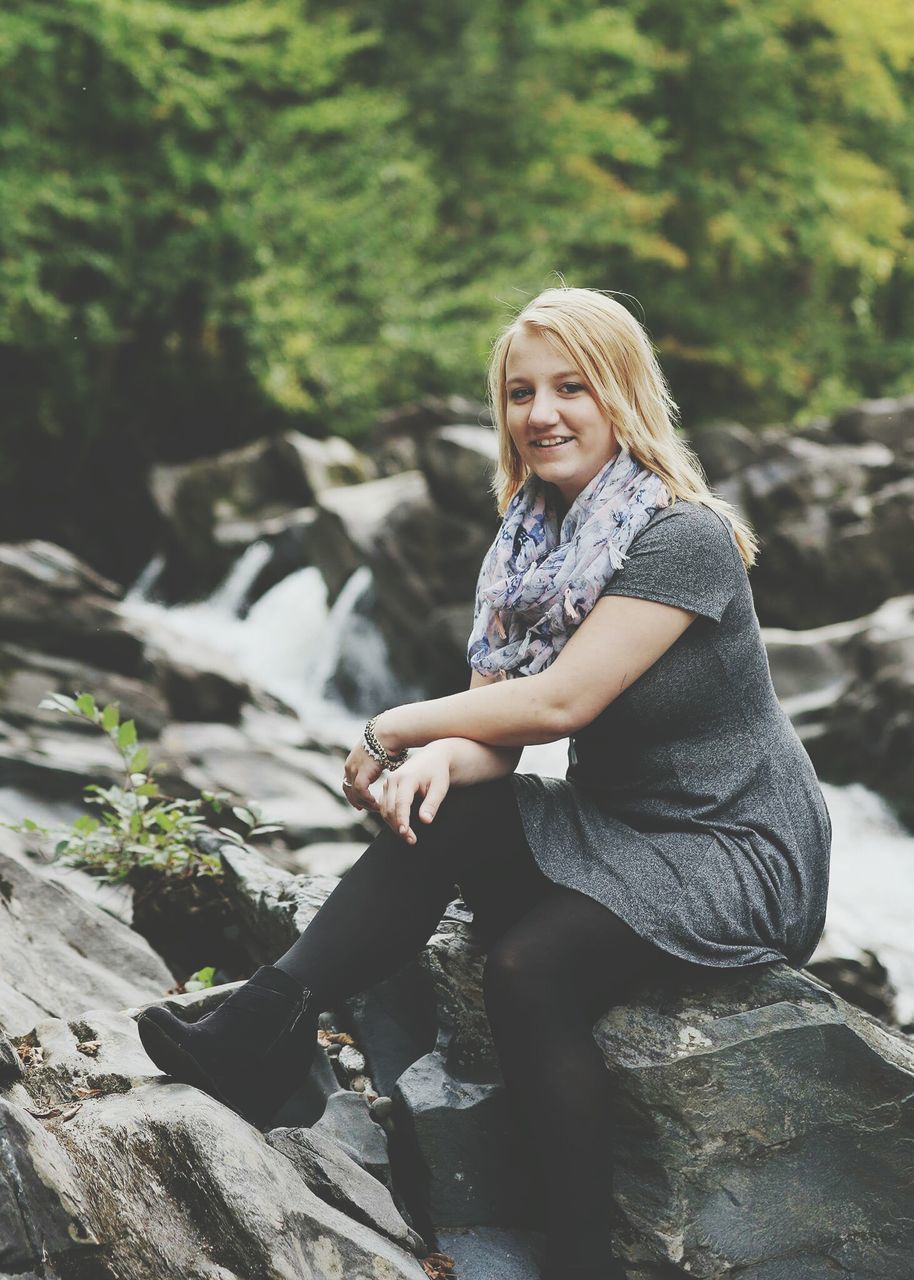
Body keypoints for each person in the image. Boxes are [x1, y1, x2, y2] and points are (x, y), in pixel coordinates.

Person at [137, 286, 832, 1280]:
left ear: (620, 394)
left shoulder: (682, 537)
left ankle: (580, 1261)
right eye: (518, 391)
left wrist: (392, 726)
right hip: (622, 824)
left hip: (733, 846)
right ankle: (265, 1023)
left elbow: (554, 705)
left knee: (527, 966)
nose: (540, 412)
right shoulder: (529, 542)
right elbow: (491, 735)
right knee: (450, 806)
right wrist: (426, 765)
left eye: (569, 387)